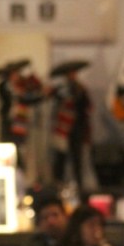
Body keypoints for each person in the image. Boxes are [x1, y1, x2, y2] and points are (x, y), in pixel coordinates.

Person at [49, 60, 92, 191]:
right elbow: (57, 100)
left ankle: (79, 185)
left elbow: (85, 106)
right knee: (61, 156)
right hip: (64, 127)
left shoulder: (80, 88)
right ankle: (58, 182)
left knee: (77, 157)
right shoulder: (62, 88)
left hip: (76, 127)